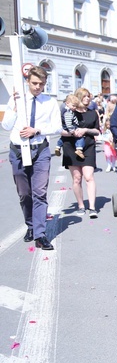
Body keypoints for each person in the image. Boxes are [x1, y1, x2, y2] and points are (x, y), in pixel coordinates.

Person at [2, 66, 62, 250]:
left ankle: (40, 234)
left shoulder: (49, 102)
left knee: (39, 193)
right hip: (18, 151)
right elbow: (6, 126)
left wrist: (37, 130)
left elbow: (57, 128)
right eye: (35, 83)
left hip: (40, 150)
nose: (38, 87)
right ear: (27, 81)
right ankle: (30, 225)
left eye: (41, 84)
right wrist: (13, 105)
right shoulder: (17, 99)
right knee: (25, 194)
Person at [61, 88, 101, 218]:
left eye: (89, 96)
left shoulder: (93, 113)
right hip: (71, 146)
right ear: (78, 97)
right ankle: (81, 205)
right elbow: (60, 131)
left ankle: (92, 207)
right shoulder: (68, 112)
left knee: (89, 176)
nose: (87, 98)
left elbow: (97, 131)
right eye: (84, 96)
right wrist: (72, 132)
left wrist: (85, 130)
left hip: (88, 146)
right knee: (77, 178)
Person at [61, 94, 87, 159]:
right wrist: (72, 131)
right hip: (70, 128)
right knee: (80, 137)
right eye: (73, 106)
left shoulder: (66, 110)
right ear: (67, 103)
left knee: (63, 138)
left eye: (76, 106)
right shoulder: (68, 112)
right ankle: (79, 149)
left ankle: (58, 146)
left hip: (67, 128)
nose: (74, 108)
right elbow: (68, 122)